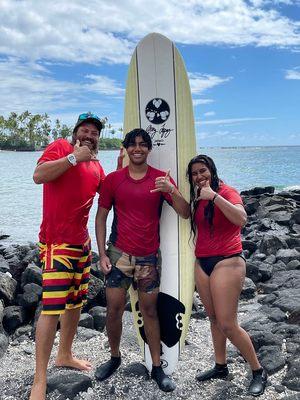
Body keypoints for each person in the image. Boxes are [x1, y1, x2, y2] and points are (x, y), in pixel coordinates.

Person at [95, 128, 189, 392]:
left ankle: (157, 367)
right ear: (125, 149)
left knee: (149, 311)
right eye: (133, 144)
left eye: (142, 145)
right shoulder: (114, 180)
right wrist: (102, 253)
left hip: (149, 257)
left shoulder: (161, 180)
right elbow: (101, 217)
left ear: (149, 149)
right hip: (118, 254)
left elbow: (184, 213)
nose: (138, 148)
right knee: (113, 309)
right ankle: (114, 358)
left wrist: (172, 190)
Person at [30, 112, 108, 400]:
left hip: (81, 244)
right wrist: (74, 157)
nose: (90, 135)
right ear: (76, 132)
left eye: (95, 132)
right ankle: (40, 379)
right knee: (51, 309)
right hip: (56, 244)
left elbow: (108, 194)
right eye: (85, 130)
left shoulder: (97, 166)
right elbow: (38, 176)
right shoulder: (61, 148)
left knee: (75, 303)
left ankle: (64, 354)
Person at [186, 154, 267, 397]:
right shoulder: (197, 198)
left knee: (227, 324)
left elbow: (241, 219)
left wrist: (215, 197)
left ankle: (258, 371)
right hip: (203, 263)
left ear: (212, 170)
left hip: (228, 261)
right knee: (212, 319)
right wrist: (171, 191)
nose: (200, 176)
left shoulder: (227, 192)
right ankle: (220, 366)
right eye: (195, 173)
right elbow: (185, 215)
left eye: (203, 171)